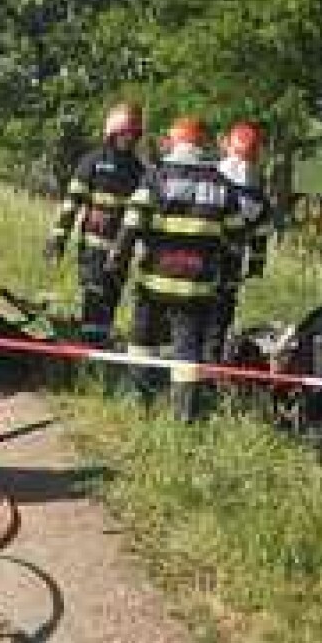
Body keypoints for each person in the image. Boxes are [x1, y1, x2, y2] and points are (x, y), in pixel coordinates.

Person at [109, 117, 247, 421]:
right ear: (200, 146)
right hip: (196, 287)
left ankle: (138, 402)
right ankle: (184, 414)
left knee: (142, 342)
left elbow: (132, 223)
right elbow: (237, 240)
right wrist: (230, 277)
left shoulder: (156, 178)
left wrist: (117, 258)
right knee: (187, 350)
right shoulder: (223, 188)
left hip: (153, 282)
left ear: (174, 143)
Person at [46, 102, 147, 346]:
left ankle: (98, 348)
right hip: (93, 249)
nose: (131, 140)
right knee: (94, 298)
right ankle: (90, 351)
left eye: (134, 135)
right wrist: (57, 239)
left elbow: (142, 215)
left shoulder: (139, 170)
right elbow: (71, 204)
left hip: (121, 250)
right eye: (127, 134)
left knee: (110, 299)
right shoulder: (91, 161)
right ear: (113, 133)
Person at [213, 121, 273, 359]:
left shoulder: (213, 179)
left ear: (229, 145)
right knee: (221, 316)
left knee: (194, 316)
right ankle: (214, 363)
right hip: (232, 263)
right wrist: (256, 266)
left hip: (202, 259)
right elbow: (261, 236)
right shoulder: (257, 194)